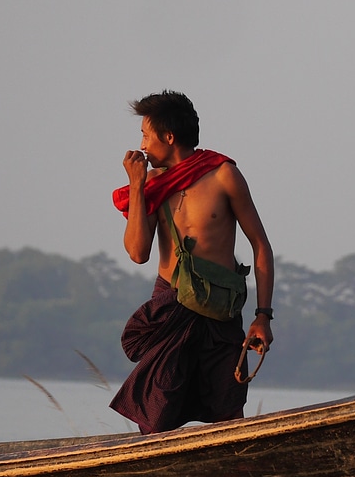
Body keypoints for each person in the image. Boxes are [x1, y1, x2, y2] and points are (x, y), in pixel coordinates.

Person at [109, 90, 275, 434]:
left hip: (220, 310)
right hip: (172, 304)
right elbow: (138, 252)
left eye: (145, 135)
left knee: (227, 413)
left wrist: (263, 316)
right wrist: (137, 185)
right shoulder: (153, 184)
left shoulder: (223, 174)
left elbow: (261, 247)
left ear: (169, 137)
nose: (141, 144)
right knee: (157, 416)